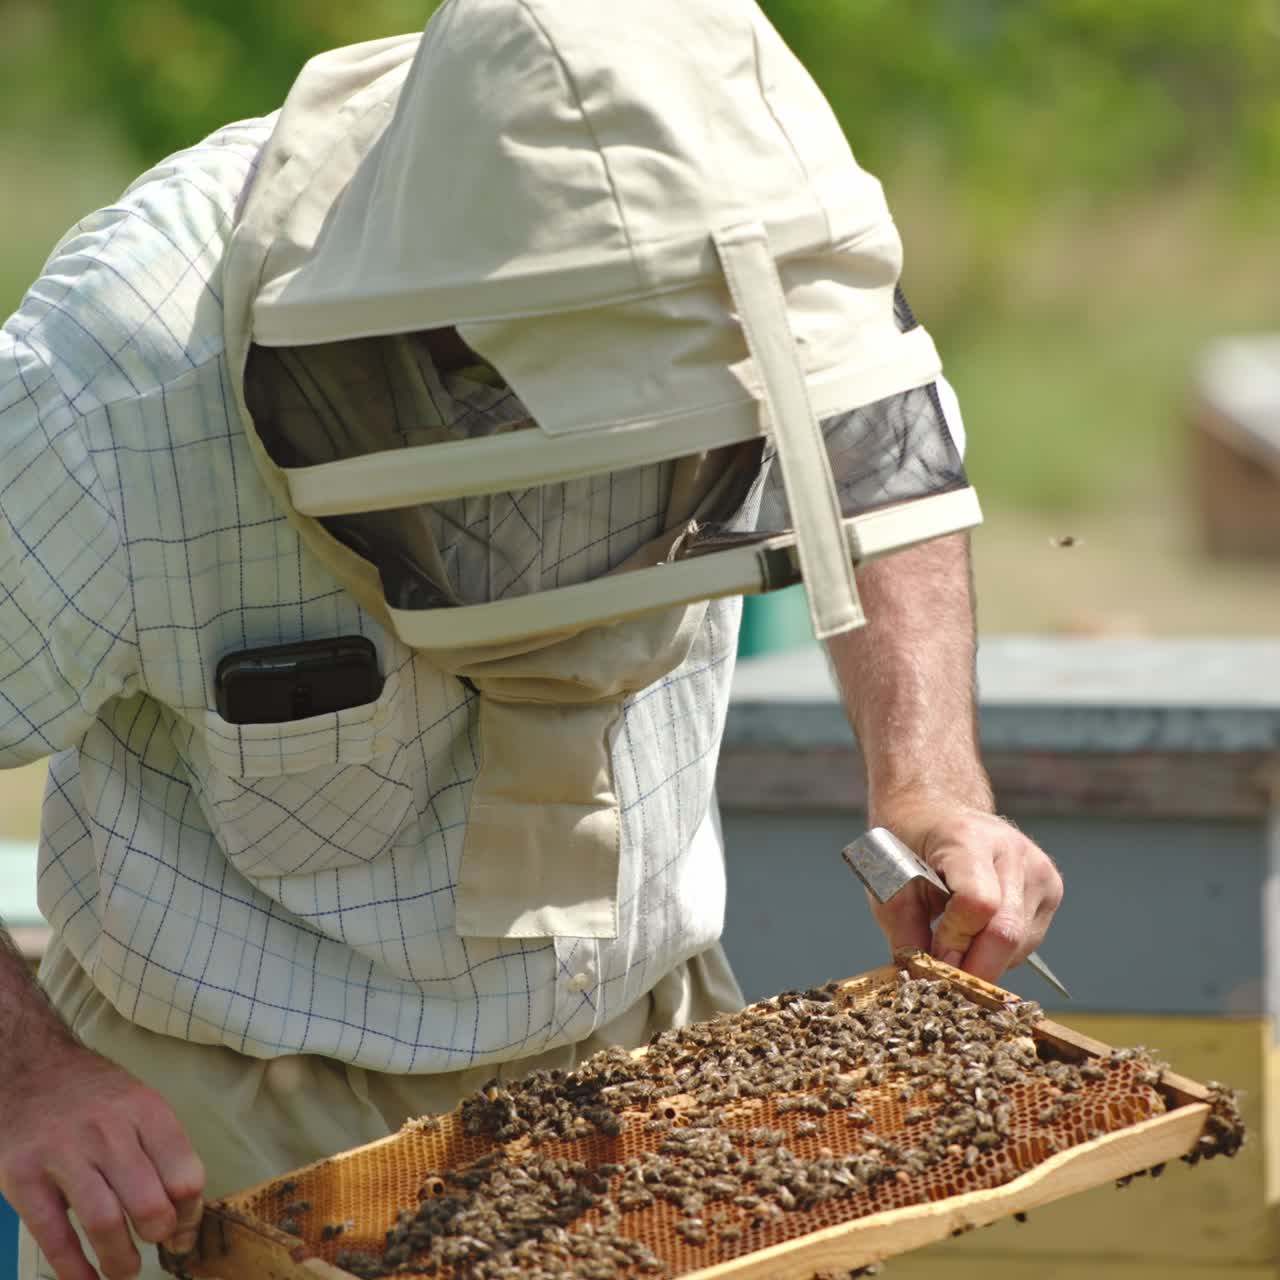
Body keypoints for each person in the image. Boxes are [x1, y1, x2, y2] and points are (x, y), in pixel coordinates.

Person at [0, 3, 1063, 1279]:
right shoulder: (112, 380)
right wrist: (30, 1076)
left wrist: (929, 783)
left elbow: (880, 479)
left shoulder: (752, 252)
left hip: (650, 1068)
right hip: (233, 1117)